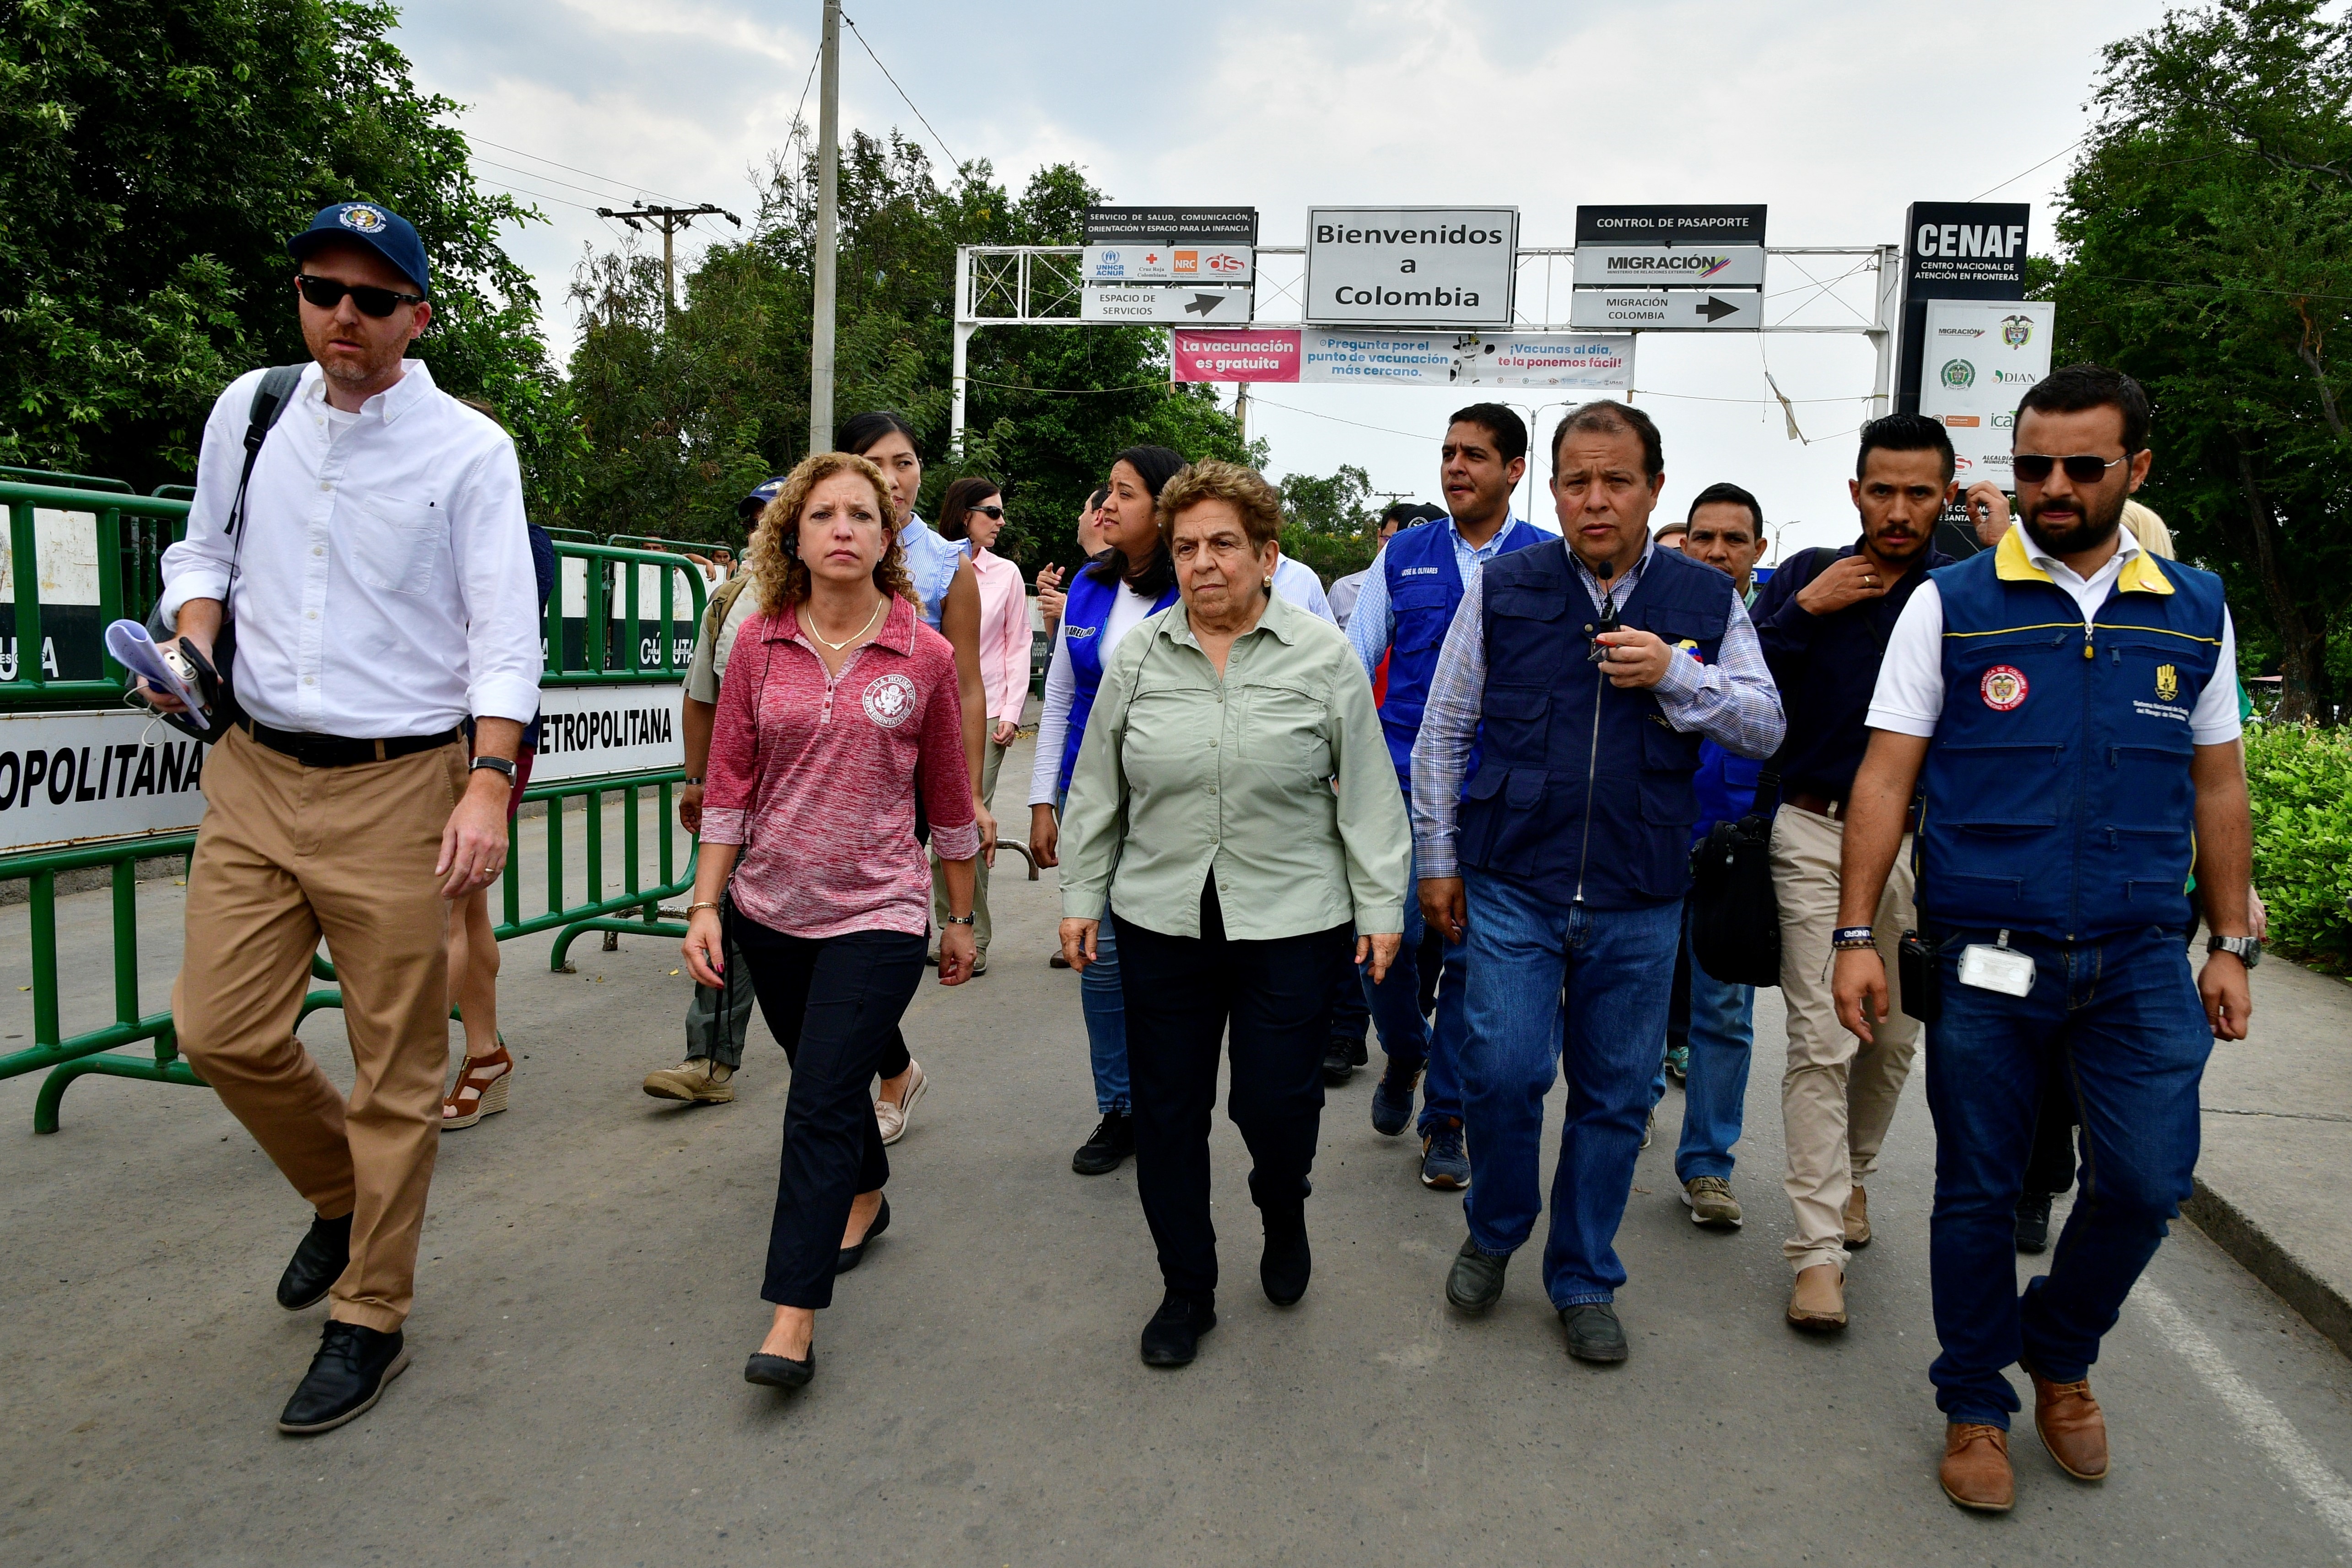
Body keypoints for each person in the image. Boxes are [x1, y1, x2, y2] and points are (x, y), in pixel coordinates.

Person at [143, 202, 542, 1433]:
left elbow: (503, 636)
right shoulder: (250, 410)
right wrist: (190, 639)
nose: (343, 319)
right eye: (323, 291)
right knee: (218, 1029)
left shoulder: (469, 450)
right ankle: (338, 1193)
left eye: (373, 301)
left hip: (397, 786)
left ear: (418, 317)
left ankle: (371, 1310)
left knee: (397, 1070)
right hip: (253, 768)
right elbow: (202, 554)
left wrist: (487, 782)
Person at [1831, 363, 2253, 1512]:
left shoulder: (2194, 604)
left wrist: (2229, 936)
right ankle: (1976, 1400)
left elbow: (2218, 785)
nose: (2052, 487)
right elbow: (1885, 773)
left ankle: (2058, 1350)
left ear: (2136, 470)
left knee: (2147, 1180)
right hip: (1986, 954)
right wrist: (1854, 930)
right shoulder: (1952, 603)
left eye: (2080, 466)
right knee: (1974, 1189)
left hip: (2136, 959)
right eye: (2031, 467)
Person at [1412, 402, 1784, 1364]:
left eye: (1616, 481)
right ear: (1553, 488)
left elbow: (1761, 724)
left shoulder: (1707, 600)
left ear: (1652, 487)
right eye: (1575, 481)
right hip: (1511, 879)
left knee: (1616, 1095)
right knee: (1498, 1073)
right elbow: (1443, 732)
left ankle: (1581, 1274)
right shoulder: (1504, 587)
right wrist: (1437, 861)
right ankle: (1495, 1228)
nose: (1594, 499)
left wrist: (1673, 674)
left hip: (1640, 888)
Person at [1057, 459, 1407, 1367]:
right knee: (1168, 1112)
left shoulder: (1321, 654)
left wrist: (1379, 906)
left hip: (1292, 917)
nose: (1203, 563)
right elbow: (1098, 787)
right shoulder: (1138, 654)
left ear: (1263, 551)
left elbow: (1367, 792)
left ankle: (1280, 1203)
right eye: (1184, 547)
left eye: (1222, 544)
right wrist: (1079, 896)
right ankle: (1186, 1288)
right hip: (1159, 916)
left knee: (1272, 1104)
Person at [683, 451, 979, 1392]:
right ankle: (865, 1194)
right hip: (770, 909)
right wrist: (704, 903)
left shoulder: (921, 655)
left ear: (888, 538)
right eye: (823, 515)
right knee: (826, 1074)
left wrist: (959, 916)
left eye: (863, 514)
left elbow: (948, 796)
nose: (843, 527)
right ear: (795, 536)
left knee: (815, 1099)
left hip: (879, 911)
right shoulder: (758, 642)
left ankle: (792, 1317)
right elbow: (727, 786)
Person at [1748, 414, 1959, 1332]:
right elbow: (1736, 686)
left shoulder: (1970, 591)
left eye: (1919, 492)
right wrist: (1803, 611)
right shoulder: (1805, 578)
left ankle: (1853, 1180)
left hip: (1929, 847)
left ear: (1945, 496)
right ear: (1853, 493)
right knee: (1818, 1039)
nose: (1899, 509)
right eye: (1882, 489)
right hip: (1815, 832)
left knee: (1895, 1038)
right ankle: (1815, 1250)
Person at [1346, 405, 1552, 1190]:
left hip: (1503, 795)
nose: (1456, 466)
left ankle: (1447, 1119)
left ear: (1514, 470)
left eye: (1475, 455)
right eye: (1448, 453)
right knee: (1383, 938)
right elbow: (1353, 659)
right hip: (1400, 784)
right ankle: (1405, 1046)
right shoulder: (1405, 555)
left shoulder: (1548, 556)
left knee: (1473, 960)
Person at [839, 412, 998, 1142]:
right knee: (815, 948)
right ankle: (893, 1065)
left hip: (903, 781)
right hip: (818, 776)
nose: (893, 477)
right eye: (876, 461)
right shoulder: (814, 541)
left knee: (870, 942)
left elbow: (966, 685)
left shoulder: (945, 567)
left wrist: (966, 796)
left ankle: (869, 1085)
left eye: (905, 462)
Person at [1030, 447, 1187, 1175]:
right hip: (1088, 798)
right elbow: (1059, 696)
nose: (1105, 507)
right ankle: (1119, 1106)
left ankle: (1169, 1104)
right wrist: (1041, 799)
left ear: (1163, 507)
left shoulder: (1192, 588)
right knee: (1097, 961)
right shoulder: (1091, 587)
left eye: (1123, 493)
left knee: (1164, 964)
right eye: (1106, 493)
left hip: (1169, 803)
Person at [1640, 483, 1770, 1225]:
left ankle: (1709, 1168)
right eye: (1705, 538)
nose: (1718, 552)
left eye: (1735, 539)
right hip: (1658, 838)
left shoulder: (1780, 626)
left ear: (1759, 549)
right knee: (1641, 999)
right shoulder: (1663, 620)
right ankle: (1635, 1113)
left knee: (1724, 1012)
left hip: (1739, 855)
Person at [640, 476, 787, 1107]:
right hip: (744, 795)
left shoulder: (845, 596)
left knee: (828, 948)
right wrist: (696, 779)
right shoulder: (729, 603)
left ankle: (882, 1058)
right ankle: (709, 1057)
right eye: (755, 516)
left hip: (828, 806)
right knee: (728, 916)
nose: (763, 528)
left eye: (776, 514)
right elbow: (701, 698)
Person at [441, 457, 557, 1131]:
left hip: (473, 738)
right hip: (464, 734)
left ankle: (411, 1075)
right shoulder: (521, 535)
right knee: (462, 908)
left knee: (445, 910)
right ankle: (482, 1056)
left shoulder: (513, 537)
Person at [930, 476, 1030, 975]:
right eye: (991, 512)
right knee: (921, 828)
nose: (1000, 521)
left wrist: (1011, 713)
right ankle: (933, 926)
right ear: (963, 513)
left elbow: (1016, 645)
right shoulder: (927, 561)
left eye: (1001, 512)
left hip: (984, 711)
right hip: (927, 707)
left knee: (968, 822)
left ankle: (974, 931)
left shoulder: (1006, 573)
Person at [1036, 485, 1107, 641]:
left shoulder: (1116, 572)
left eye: (1085, 509)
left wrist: (1069, 611)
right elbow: (1056, 640)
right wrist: (1049, 594)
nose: (1080, 518)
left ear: (1098, 516)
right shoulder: (1091, 570)